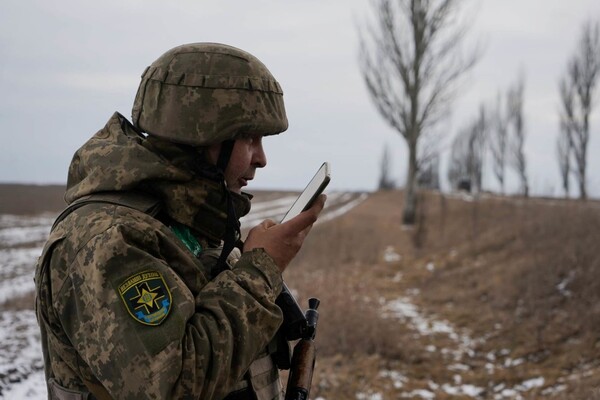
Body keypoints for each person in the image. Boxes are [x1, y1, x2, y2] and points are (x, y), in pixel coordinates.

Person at [34, 42, 326, 400]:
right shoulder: (105, 240)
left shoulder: (191, 225)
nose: (261, 159)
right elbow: (174, 385)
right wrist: (261, 270)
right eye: (250, 138)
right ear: (203, 136)